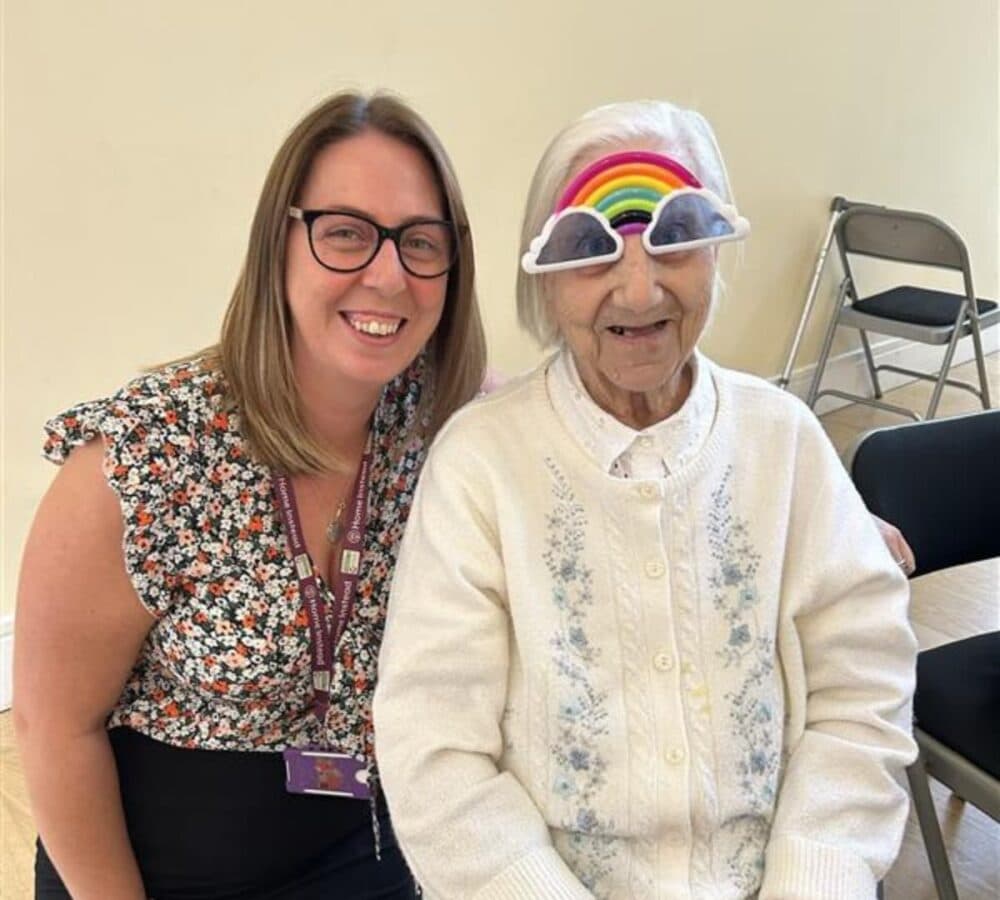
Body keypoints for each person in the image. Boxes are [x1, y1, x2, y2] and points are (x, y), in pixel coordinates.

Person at [373, 100, 919, 899]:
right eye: (591, 248)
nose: (638, 291)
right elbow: (435, 750)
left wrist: (816, 876)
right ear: (547, 275)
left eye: (675, 235)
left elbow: (861, 687)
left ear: (716, 250)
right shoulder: (481, 463)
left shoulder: (784, 440)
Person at [13, 90, 486, 899]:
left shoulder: (445, 432)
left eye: (420, 242)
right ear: (280, 244)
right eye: (345, 233)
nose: (387, 274)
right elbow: (54, 730)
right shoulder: (146, 455)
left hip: (363, 850)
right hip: (154, 875)